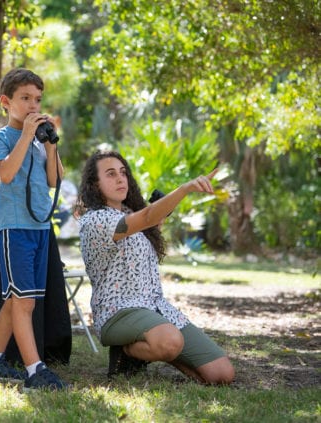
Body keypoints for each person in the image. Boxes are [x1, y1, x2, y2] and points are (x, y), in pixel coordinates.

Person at [77, 150, 235, 385]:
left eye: (123, 173)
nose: (121, 179)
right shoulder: (95, 220)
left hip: (156, 308)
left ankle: (162, 348)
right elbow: (149, 216)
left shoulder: (132, 214)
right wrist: (184, 189)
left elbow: (148, 218)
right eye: (110, 174)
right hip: (117, 311)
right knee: (170, 341)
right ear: (94, 184)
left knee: (222, 375)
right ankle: (126, 352)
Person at [0, 68, 68, 391]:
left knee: (17, 299)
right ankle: (34, 371)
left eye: (37, 99)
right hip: (14, 225)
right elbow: (7, 174)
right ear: (6, 102)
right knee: (23, 301)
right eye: (25, 98)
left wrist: (51, 144)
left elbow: (55, 180)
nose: (32, 105)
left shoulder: (40, 141)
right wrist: (26, 136)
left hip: (40, 225)